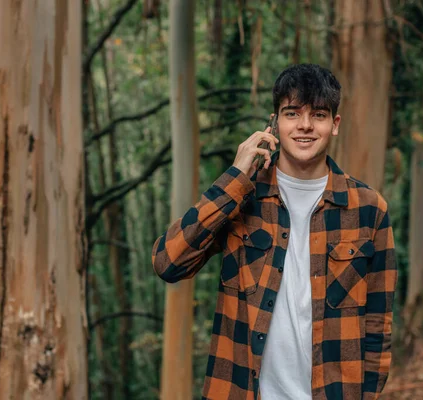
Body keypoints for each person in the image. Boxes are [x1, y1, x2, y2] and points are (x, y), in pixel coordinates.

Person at [152, 64, 396, 400]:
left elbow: (377, 328)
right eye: (292, 113)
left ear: (334, 125)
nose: (305, 126)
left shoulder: (369, 209)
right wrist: (236, 176)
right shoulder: (241, 197)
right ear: (274, 123)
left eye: (319, 115)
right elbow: (168, 261)